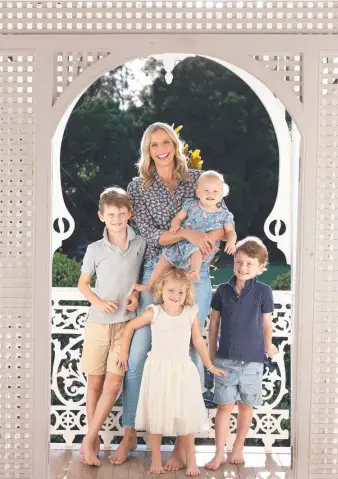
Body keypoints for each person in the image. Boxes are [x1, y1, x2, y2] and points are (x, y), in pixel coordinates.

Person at [109, 122, 227, 467]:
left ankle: (182, 443)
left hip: (196, 272)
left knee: (192, 354)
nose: (161, 148)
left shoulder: (198, 178)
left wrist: (204, 237)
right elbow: (149, 234)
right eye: (154, 144)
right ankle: (130, 431)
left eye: (166, 142)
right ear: (147, 150)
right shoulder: (138, 187)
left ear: (174, 145)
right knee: (141, 351)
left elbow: (219, 222)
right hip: (155, 271)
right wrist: (188, 232)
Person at [117, 268, 226, 476]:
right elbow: (130, 326)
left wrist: (209, 366)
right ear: (161, 289)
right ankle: (156, 460)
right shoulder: (154, 311)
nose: (175, 296)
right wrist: (124, 353)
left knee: (185, 416)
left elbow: (197, 341)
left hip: (183, 370)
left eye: (180, 293)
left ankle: (191, 461)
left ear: (187, 294)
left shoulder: (189, 313)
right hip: (158, 370)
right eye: (171, 291)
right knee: (156, 415)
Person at [78, 187, 146, 466]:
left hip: (125, 326)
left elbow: (144, 277)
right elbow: (83, 284)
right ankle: (92, 442)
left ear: (129, 214)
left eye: (121, 214)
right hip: (98, 323)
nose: (116, 219)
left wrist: (137, 295)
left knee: (114, 382)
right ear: (101, 216)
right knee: (94, 383)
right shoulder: (95, 249)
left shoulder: (140, 243)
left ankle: (87, 438)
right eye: (111, 215)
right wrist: (98, 300)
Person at [205, 236, 279, 470]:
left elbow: (267, 323)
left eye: (249, 264)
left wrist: (269, 345)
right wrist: (211, 354)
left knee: (246, 406)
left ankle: (238, 448)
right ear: (234, 261)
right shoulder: (223, 291)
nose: (243, 268)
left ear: (260, 267)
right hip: (225, 360)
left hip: (253, 361)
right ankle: (219, 453)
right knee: (224, 407)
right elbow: (214, 324)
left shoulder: (264, 292)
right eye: (239, 262)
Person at [134, 170, 236, 291]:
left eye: (215, 191)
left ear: (222, 194)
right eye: (206, 190)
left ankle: (195, 272)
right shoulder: (191, 205)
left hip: (200, 246)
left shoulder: (224, 215)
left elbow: (230, 232)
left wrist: (231, 242)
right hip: (181, 244)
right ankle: (150, 285)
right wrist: (175, 225)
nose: (210, 194)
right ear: (198, 191)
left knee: (195, 251)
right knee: (164, 258)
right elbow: (178, 217)